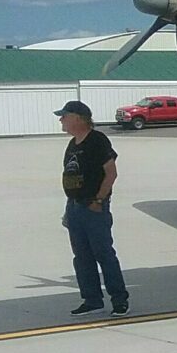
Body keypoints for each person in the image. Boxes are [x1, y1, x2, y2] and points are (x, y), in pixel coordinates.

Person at [56, 101, 129, 317]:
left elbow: (111, 173)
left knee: (104, 254)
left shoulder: (97, 140)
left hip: (93, 207)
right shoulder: (72, 144)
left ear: (78, 118)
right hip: (75, 207)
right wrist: (68, 209)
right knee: (81, 256)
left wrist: (98, 200)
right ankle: (92, 299)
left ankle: (119, 300)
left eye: (64, 116)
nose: (61, 120)